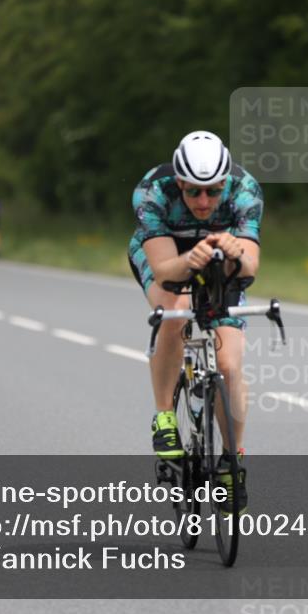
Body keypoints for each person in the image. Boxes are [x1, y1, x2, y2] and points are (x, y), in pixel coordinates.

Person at [128, 130, 263, 513]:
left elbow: (250, 267)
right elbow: (164, 268)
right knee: (173, 307)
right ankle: (165, 417)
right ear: (180, 182)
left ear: (226, 184)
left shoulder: (245, 190)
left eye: (214, 191)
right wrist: (192, 259)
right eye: (194, 192)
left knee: (229, 365)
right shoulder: (153, 191)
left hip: (221, 261)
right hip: (170, 255)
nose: (204, 201)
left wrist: (235, 254)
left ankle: (231, 462)